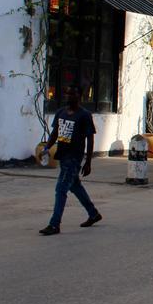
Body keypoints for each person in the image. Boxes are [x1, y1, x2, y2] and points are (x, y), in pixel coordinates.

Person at [39, 85, 102, 236]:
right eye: (67, 93)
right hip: (63, 154)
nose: (68, 96)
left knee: (61, 189)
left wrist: (88, 162)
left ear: (79, 96)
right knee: (75, 186)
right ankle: (93, 213)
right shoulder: (61, 113)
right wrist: (46, 148)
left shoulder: (84, 115)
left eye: (72, 94)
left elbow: (90, 139)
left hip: (74, 157)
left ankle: (54, 224)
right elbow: (55, 133)